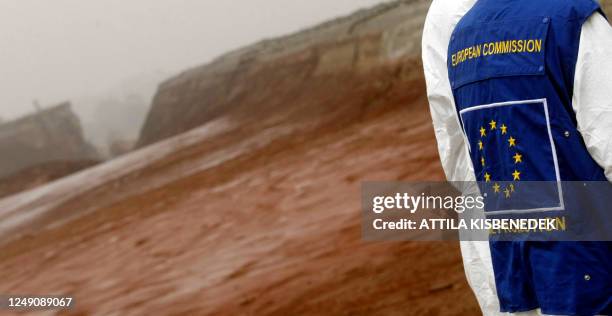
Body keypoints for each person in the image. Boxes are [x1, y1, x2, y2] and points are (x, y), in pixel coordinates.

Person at [422, 0, 612, 314]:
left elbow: (457, 156)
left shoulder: (459, 32)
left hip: (509, 263)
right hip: (588, 266)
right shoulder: (571, 18)